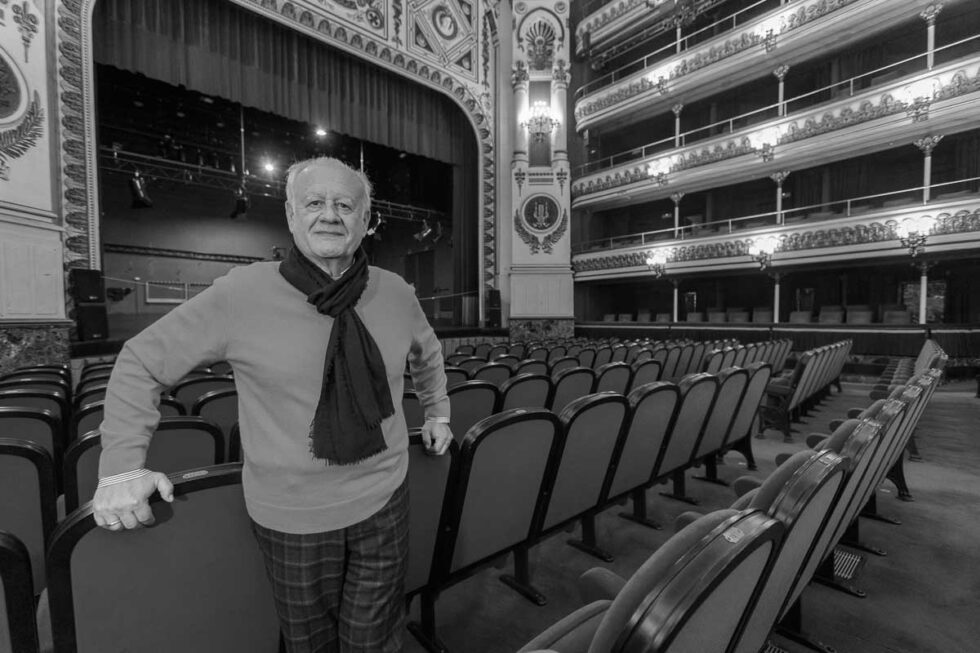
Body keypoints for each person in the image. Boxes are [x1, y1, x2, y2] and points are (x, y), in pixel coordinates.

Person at [93, 157, 453, 652]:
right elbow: (140, 362)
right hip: (291, 518)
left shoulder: (394, 291)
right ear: (290, 215)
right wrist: (119, 469)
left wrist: (438, 411)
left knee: (378, 640)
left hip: (385, 499)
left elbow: (427, 352)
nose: (330, 214)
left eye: (345, 205)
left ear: (365, 219)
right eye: (314, 203)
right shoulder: (241, 293)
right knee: (313, 646)